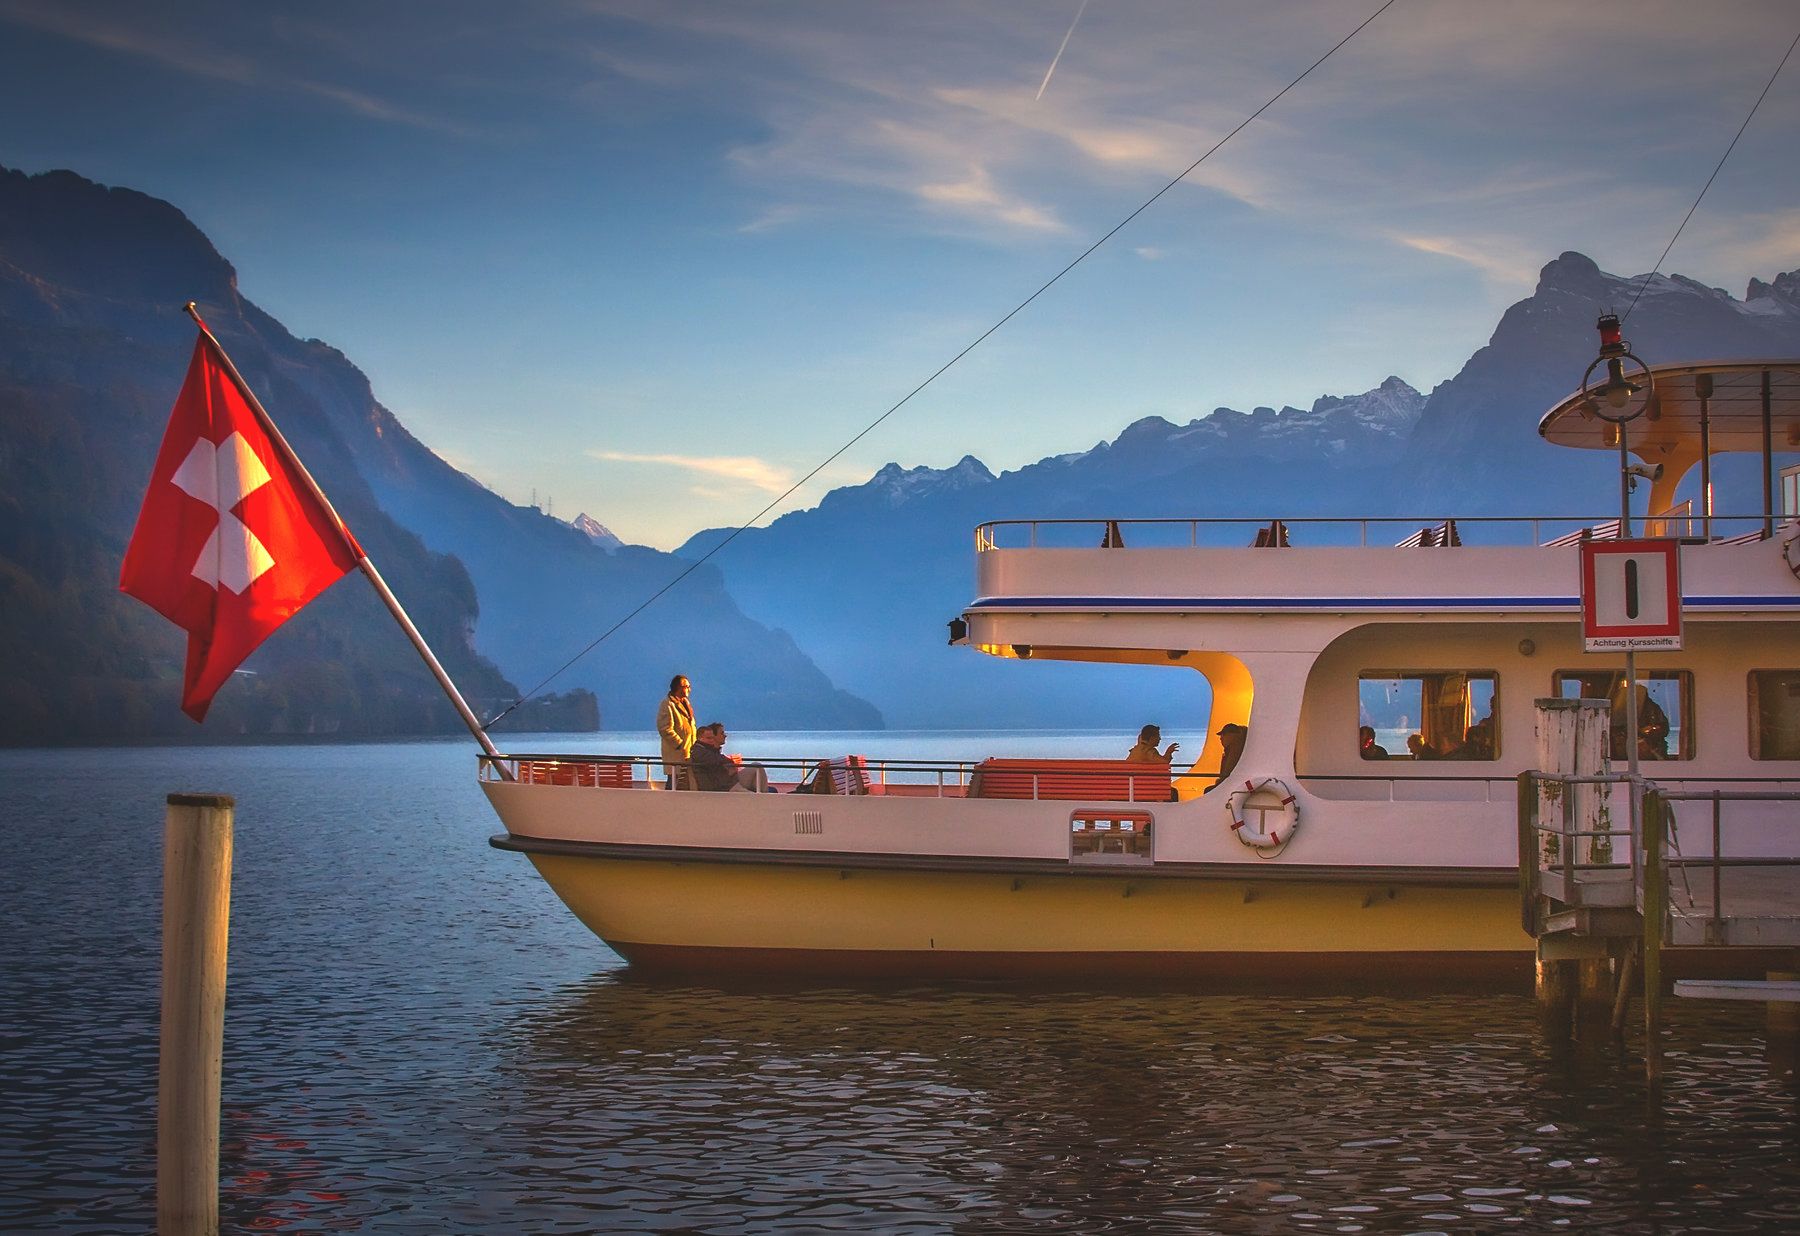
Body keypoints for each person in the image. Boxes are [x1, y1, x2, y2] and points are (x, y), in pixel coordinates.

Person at [689, 723, 774, 793]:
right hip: (723, 786)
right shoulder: (698, 751)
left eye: (712, 738)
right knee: (752, 795)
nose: (711, 740)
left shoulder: (709, 750)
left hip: (729, 781)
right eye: (709, 738)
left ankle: (763, 792)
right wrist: (728, 764)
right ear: (700, 738)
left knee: (756, 766)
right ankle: (763, 797)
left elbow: (719, 761)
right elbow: (714, 761)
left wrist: (729, 764)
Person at [657, 674, 696, 788]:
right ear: (678, 688)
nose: (689, 689)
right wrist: (680, 745)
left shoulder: (686, 703)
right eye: (687, 686)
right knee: (674, 780)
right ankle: (668, 802)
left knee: (684, 782)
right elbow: (664, 728)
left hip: (689, 753)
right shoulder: (668, 704)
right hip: (676, 754)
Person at [1212, 722, 1247, 788]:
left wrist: (1219, 783)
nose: (1221, 738)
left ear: (1231, 735)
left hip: (1232, 786)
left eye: (1224, 734)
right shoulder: (1234, 749)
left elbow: (1228, 773)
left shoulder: (1235, 750)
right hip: (1233, 783)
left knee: (1207, 790)